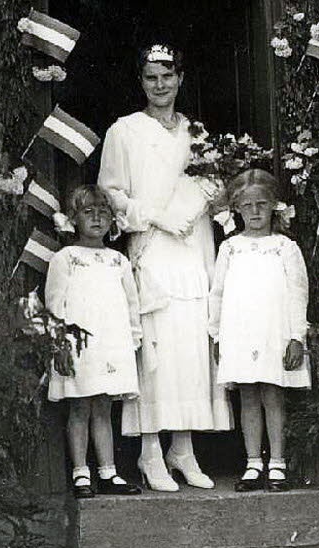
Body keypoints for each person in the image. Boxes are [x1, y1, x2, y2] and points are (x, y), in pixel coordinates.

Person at [98, 43, 232, 492]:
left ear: (180, 79)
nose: (160, 85)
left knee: (189, 348)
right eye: (151, 77)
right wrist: (154, 216)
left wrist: (212, 195)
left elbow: (212, 187)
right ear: (141, 81)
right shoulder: (124, 131)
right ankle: (150, 451)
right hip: (153, 246)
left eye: (167, 76)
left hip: (192, 248)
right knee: (156, 351)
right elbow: (111, 193)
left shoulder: (196, 133)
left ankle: (183, 449)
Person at [208, 169, 311, 492]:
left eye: (262, 204)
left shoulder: (285, 247)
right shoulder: (230, 248)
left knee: (272, 394)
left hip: (273, 332)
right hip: (240, 332)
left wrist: (296, 337)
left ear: (273, 206)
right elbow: (218, 293)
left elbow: (298, 293)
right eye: (247, 205)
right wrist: (217, 335)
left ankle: (277, 463)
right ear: (237, 209)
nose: (255, 211)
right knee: (248, 395)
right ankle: (253, 463)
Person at [45, 185, 142, 499]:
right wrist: (59, 343)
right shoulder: (66, 258)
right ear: (74, 218)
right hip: (79, 347)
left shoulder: (118, 261)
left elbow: (131, 304)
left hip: (111, 343)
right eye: (88, 212)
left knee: (103, 407)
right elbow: (55, 305)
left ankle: (108, 472)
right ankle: (80, 473)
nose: (97, 218)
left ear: (113, 220)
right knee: (79, 407)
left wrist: (133, 340)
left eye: (103, 213)